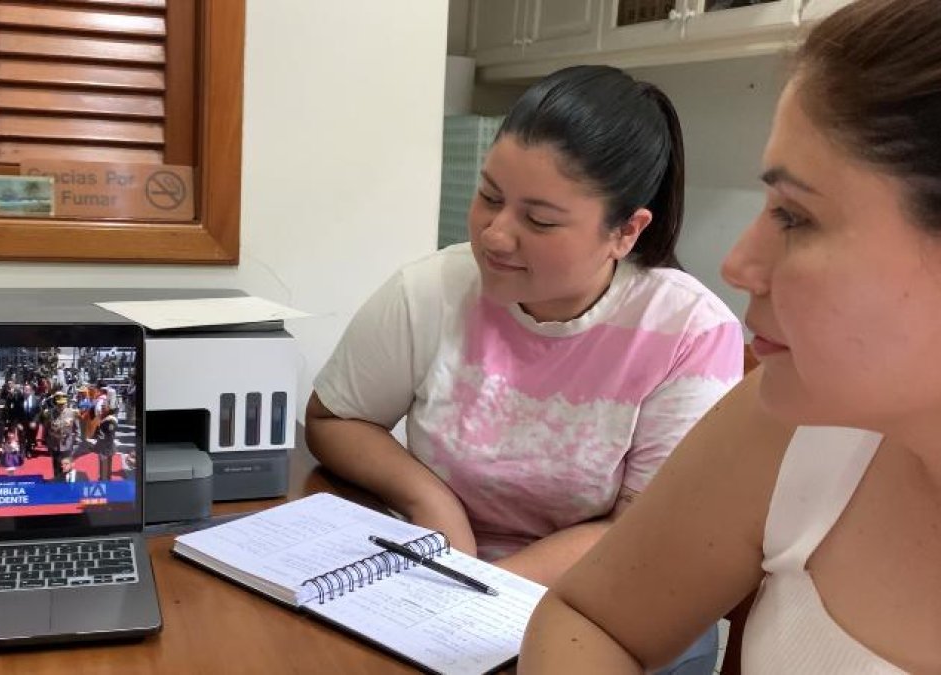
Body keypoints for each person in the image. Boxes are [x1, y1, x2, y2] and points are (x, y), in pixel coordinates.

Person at [517, 2, 941, 673]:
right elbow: (593, 617)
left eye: (795, 216)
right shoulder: (795, 418)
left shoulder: (695, 334)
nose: (738, 263)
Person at [306, 65, 742, 673]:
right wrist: (434, 502)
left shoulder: (688, 331)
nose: (495, 235)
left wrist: (476, 589)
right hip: (440, 576)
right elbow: (334, 419)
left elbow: (644, 531)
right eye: (488, 196)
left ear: (625, 231)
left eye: (539, 220)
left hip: (611, 608)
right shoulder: (431, 289)